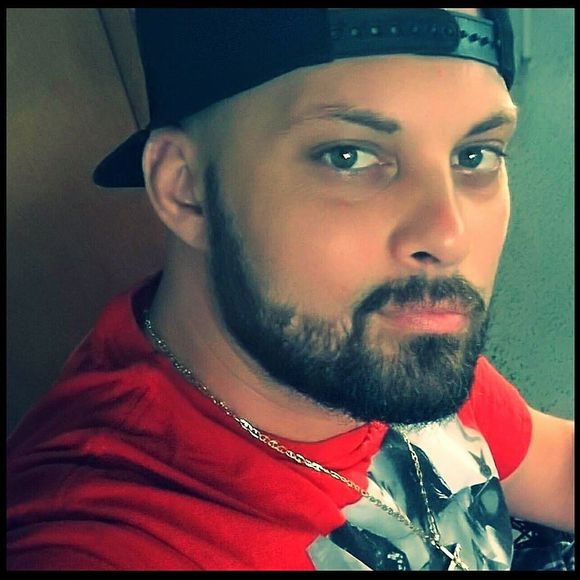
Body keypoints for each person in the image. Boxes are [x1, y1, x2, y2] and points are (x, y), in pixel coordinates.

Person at [6, 8, 574, 571]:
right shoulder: (111, 539)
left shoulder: (390, 333)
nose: (448, 238)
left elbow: (554, 467)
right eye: (348, 156)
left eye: (475, 155)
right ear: (186, 189)